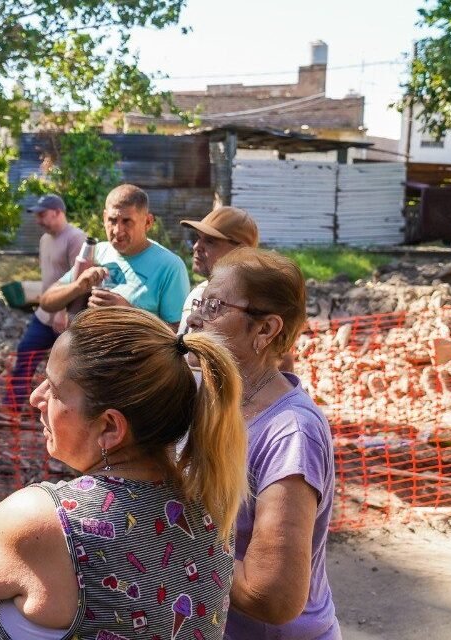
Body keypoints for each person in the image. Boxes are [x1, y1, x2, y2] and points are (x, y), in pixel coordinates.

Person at [0, 306, 249, 640]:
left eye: (54, 388)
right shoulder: (213, 501)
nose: (35, 397)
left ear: (110, 427)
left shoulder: (45, 519)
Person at [184, 248, 341, 639]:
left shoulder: (291, 433)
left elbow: (271, 595)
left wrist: (168, 540)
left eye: (215, 306)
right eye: (200, 302)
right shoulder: (208, 396)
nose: (194, 318)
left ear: (265, 330)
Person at [38, 184, 190, 326]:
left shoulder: (170, 266)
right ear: (104, 218)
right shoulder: (98, 251)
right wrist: (77, 287)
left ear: (148, 222)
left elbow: (178, 332)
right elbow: (46, 302)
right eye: (112, 220)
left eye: (127, 221)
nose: (117, 230)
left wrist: (129, 313)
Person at [8, 193, 86, 407]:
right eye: (37, 215)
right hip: (44, 314)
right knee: (26, 350)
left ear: (58, 212)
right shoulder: (45, 239)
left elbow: (80, 281)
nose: (38, 220)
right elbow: (52, 276)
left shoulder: (76, 239)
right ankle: (13, 405)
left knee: (67, 367)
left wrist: (62, 311)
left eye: (42, 215)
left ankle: (64, 411)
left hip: (67, 318)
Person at [177, 206, 259, 334]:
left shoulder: (249, 306)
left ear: (241, 251)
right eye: (198, 238)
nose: (196, 246)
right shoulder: (197, 293)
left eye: (210, 241)